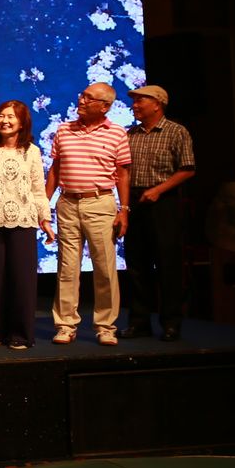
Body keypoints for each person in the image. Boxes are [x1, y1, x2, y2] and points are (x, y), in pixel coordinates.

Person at [46, 82, 131, 346]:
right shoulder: (64, 129)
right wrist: (43, 203)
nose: (81, 100)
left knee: (104, 267)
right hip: (68, 203)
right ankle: (65, 324)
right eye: (82, 95)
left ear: (104, 106)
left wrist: (124, 210)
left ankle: (106, 326)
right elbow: (55, 169)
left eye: (88, 98)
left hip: (100, 203)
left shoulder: (117, 133)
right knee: (67, 267)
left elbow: (123, 174)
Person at [0, 100, 55, 350]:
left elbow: (38, 189)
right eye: (1, 116)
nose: (5, 121)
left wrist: (45, 220)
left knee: (22, 280)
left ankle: (21, 333)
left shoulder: (31, 151)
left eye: (11, 117)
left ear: (22, 122)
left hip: (23, 221)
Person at [124, 85, 195, 342]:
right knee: (136, 264)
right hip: (135, 200)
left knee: (168, 264)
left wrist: (158, 190)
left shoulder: (176, 131)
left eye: (140, 101)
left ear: (157, 104)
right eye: (134, 101)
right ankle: (139, 322)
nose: (134, 106)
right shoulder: (130, 134)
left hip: (164, 201)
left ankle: (171, 323)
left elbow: (187, 168)